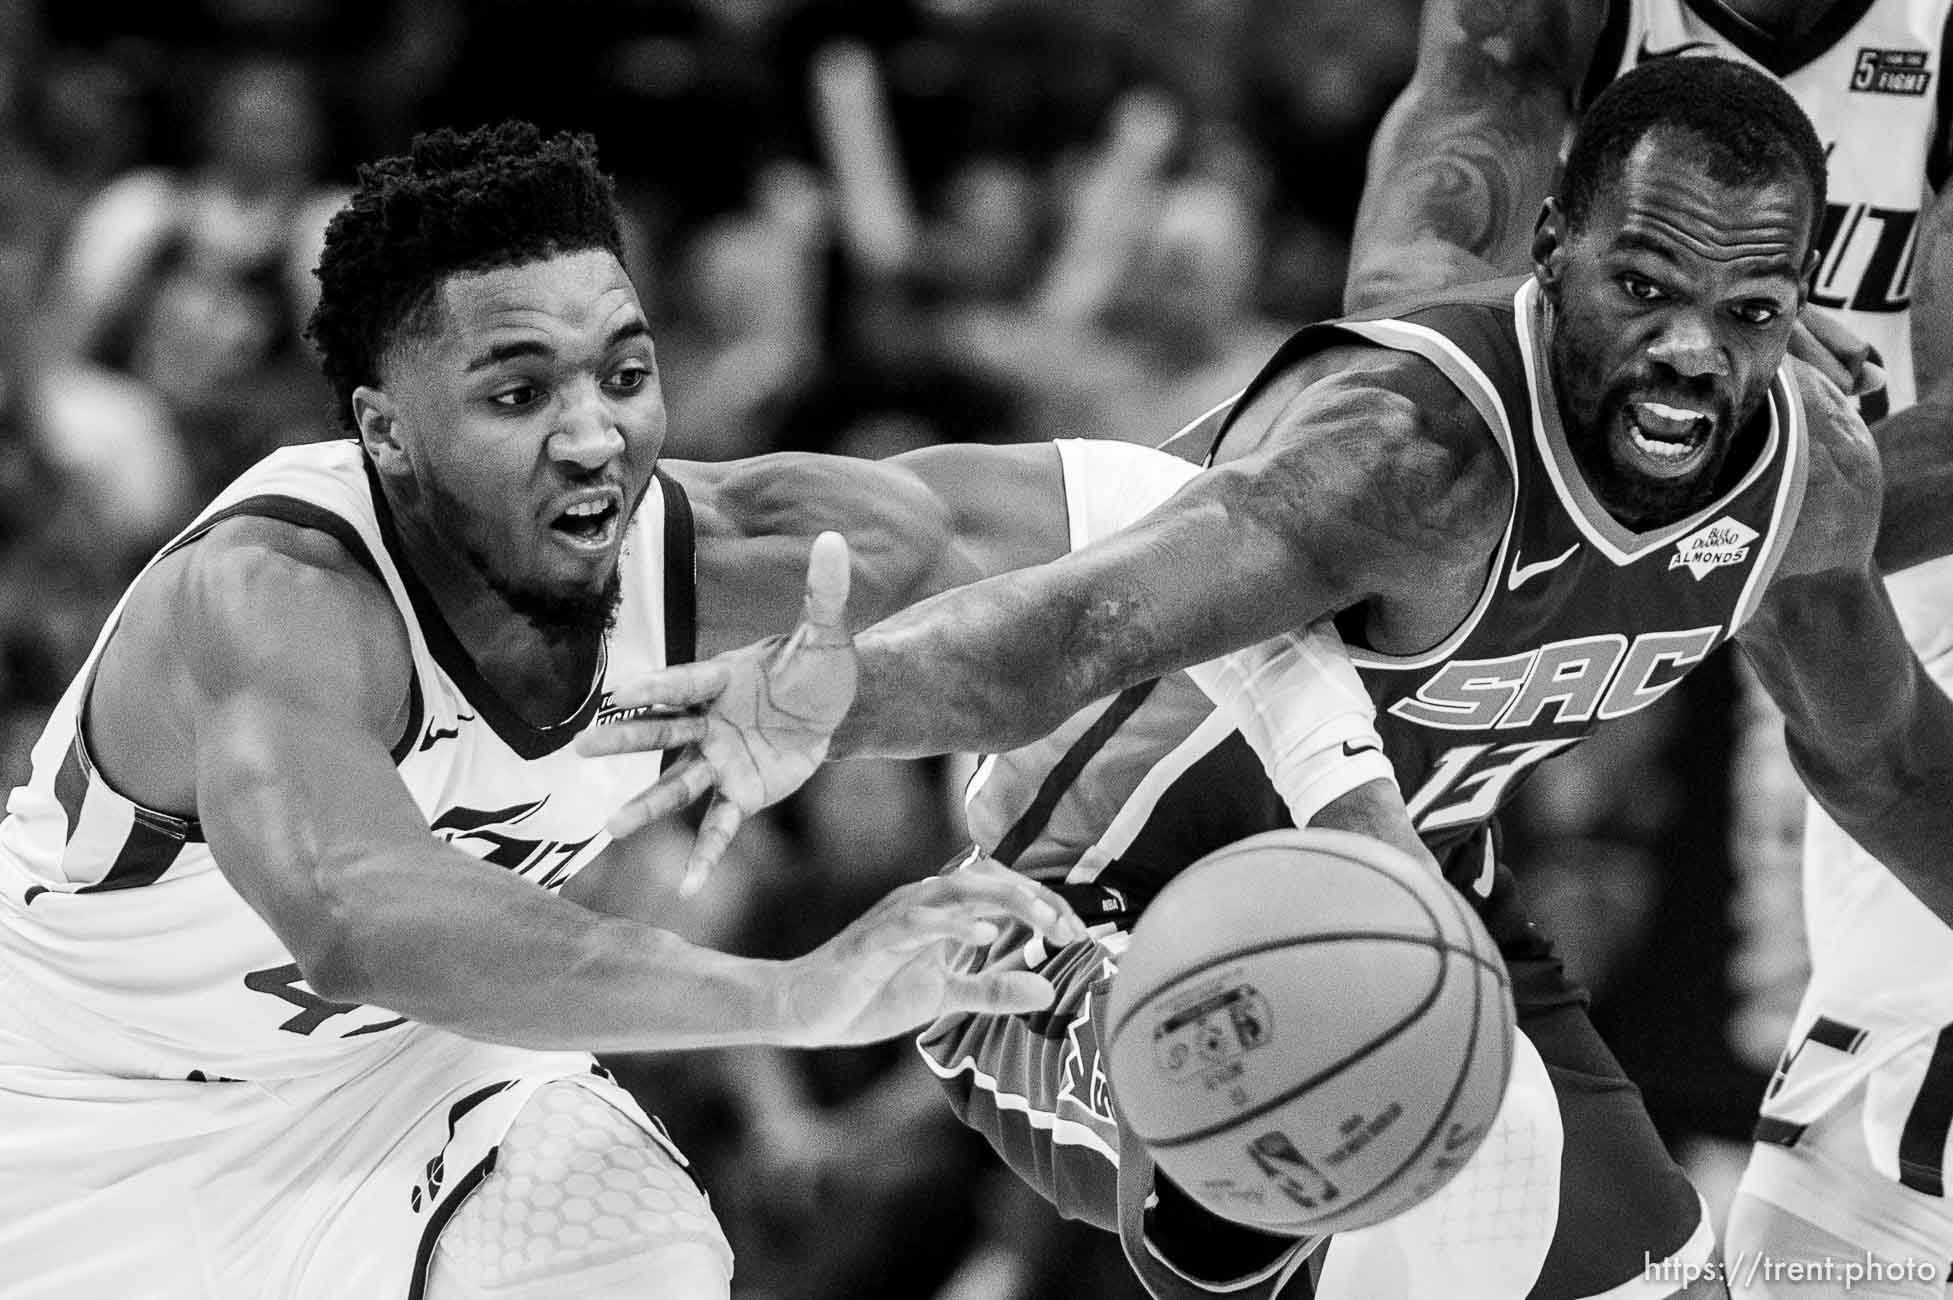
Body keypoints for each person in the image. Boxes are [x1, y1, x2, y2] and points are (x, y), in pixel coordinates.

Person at [585, 58, 1953, 1299]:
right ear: (1551, 250)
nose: (1690, 351)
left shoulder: (1801, 483)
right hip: (1087, 925)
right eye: (1644, 288)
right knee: (1400, 1164)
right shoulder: (1408, 458)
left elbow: (1890, 761)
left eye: (1749, 309)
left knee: (1661, 1278)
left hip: (1423, 909)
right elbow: (1069, 635)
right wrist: (842, 706)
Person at [0, 121, 1114, 1300]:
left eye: (624, 376)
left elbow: (1134, 523)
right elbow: (352, 922)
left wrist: (1312, 524)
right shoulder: (276, 592)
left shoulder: (698, 553)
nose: (593, 437)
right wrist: (790, 993)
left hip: (395, 1086)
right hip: (67, 1114)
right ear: (386, 430)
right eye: (521, 391)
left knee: (637, 1255)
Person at [1347, 1, 1953, 1291]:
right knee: (1825, 1223)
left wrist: (1731, 463)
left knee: (1866, 1182)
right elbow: (1404, 311)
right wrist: (1705, 371)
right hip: (1699, 545)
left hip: (1878, 564)